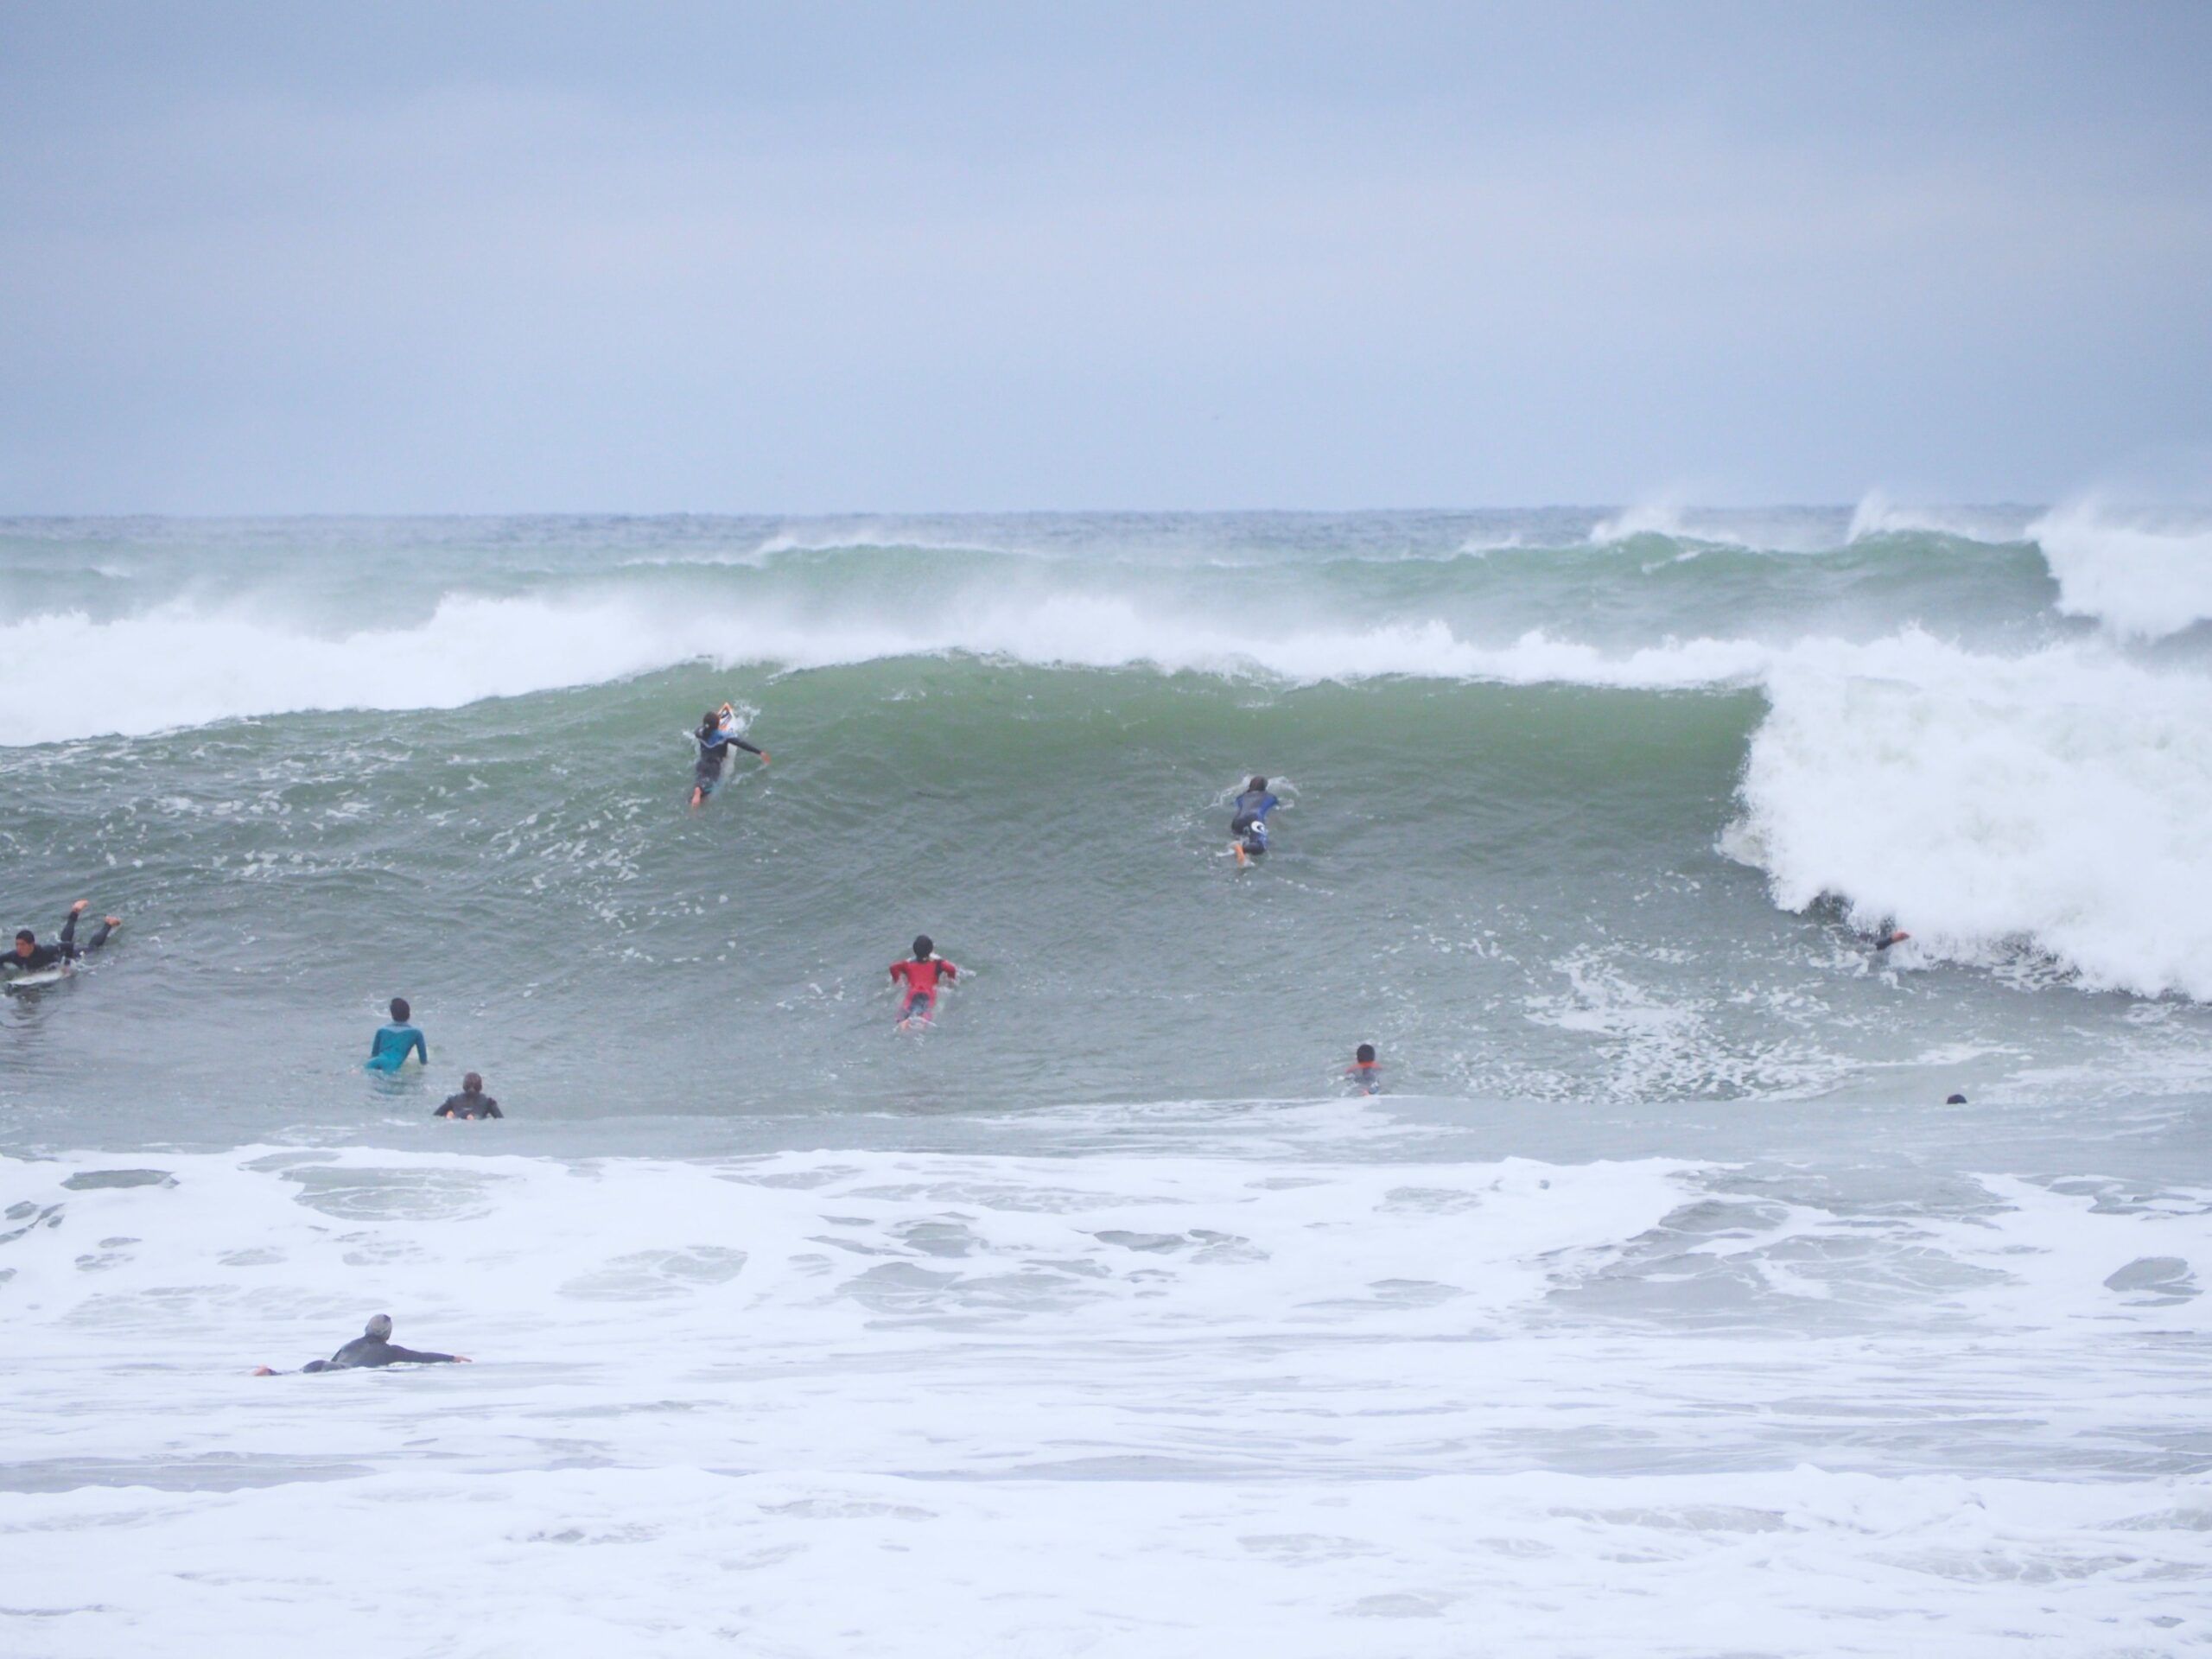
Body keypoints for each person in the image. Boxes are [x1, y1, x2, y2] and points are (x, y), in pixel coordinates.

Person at [254, 1313, 470, 1375]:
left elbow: (332, 1361)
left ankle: (268, 1372)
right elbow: (422, 1358)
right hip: (342, 1373)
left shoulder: (350, 1344)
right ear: (388, 1333)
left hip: (320, 1364)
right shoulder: (392, 1351)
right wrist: (452, 1358)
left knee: (289, 1375)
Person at [6, 900, 121, 976]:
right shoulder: (14, 956)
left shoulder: (45, 951)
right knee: (64, 940)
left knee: (93, 947)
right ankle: (75, 911)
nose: (19, 948)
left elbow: (69, 947)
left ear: (32, 945)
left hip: (68, 955)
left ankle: (108, 924)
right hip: (58, 954)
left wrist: (67, 964)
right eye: (17, 944)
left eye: (22, 945)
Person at [690, 703, 768, 809]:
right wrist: (759, 752)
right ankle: (698, 792)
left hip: (702, 763)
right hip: (714, 765)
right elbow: (741, 743)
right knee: (709, 788)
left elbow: (701, 729)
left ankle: (697, 792)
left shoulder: (699, 733)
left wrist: (712, 726)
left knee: (700, 780)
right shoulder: (723, 736)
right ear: (717, 725)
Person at [888, 934, 959, 1028]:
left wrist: (898, 981)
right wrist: (949, 982)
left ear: (914, 950)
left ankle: (904, 1029)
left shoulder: (907, 965)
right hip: (928, 994)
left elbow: (893, 967)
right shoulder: (938, 964)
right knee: (924, 1018)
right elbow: (951, 969)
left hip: (912, 993)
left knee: (902, 1017)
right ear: (931, 950)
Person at [365, 997, 428, 1074]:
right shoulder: (416, 1033)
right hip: (392, 1066)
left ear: (392, 1014)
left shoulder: (381, 1030)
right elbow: (423, 1061)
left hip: (373, 1063)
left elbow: (374, 1055)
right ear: (409, 1014)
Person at [1229, 776, 1280, 867]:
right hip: (1254, 817)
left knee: (1243, 838)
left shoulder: (1240, 797)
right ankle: (1241, 849)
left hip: (1237, 820)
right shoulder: (1270, 797)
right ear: (1264, 788)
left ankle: (1241, 851)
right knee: (1261, 845)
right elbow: (1275, 812)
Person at [434, 1072, 503, 1119]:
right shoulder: (488, 1102)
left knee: (453, 1116)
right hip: (475, 1118)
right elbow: (500, 1119)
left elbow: (435, 1116)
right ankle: (471, 1117)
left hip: (458, 1116)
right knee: (475, 1118)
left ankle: (450, 1115)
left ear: (464, 1086)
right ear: (481, 1087)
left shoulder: (453, 1100)